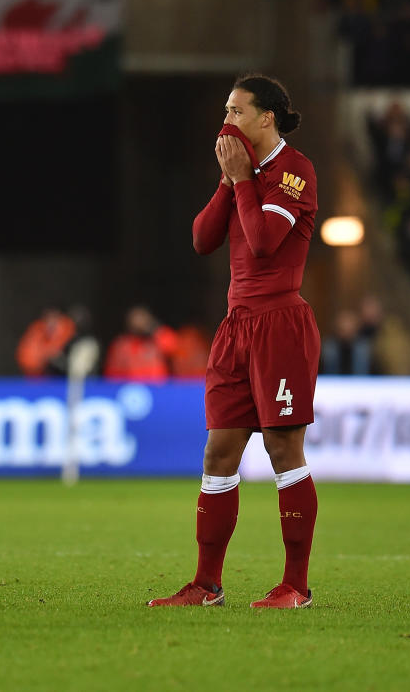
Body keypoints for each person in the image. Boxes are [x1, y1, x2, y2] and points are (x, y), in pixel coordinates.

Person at [148, 74, 320, 609]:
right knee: (219, 452)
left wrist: (242, 179)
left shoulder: (295, 170)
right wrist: (228, 182)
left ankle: (296, 585)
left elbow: (266, 243)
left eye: (237, 112)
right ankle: (206, 584)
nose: (227, 122)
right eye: (225, 111)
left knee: (281, 447)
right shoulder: (240, 173)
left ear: (266, 117)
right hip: (235, 326)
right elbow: (202, 240)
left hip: (279, 325)